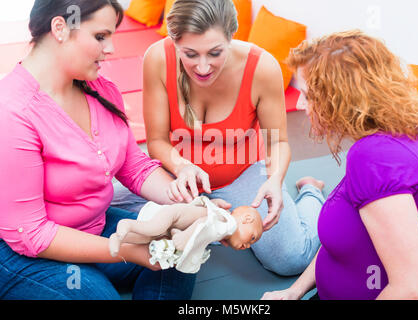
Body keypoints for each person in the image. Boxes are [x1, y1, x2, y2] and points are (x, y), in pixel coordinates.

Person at [0, 0, 212, 300]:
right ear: (60, 28)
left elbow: (133, 166)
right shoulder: (11, 112)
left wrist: (187, 201)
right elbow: (32, 234)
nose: (111, 48)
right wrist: (126, 251)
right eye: (100, 36)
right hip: (27, 254)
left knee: (180, 251)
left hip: (96, 228)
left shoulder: (100, 89)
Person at [112, 0, 325, 276]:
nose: (202, 67)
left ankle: (311, 191)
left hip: (242, 175)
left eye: (214, 53)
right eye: (190, 54)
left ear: (231, 37)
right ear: (174, 42)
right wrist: (182, 167)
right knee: (95, 205)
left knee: (291, 259)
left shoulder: (262, 68)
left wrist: (274, 179)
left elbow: (278, 142)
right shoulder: (157, 58)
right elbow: (156, 142)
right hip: (177, 178)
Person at [262, 30, 418, 300]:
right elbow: (341, 241)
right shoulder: (397, 133)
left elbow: (414, 291)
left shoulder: (374, 158)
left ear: (339, 99)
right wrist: (294, 291)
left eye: (308, 95)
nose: (301, 103)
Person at [109, 196, 263, 273]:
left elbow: (204, 214)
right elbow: (203, 222)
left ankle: (119, 237)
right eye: (252, 238)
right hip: (173, 216)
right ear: (247, 219)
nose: (247, 245)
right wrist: (182, 239)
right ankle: (127, 224)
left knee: (146, 238)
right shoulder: (229, 224)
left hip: (174, 221)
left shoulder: (223, 220)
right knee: (152, 229)